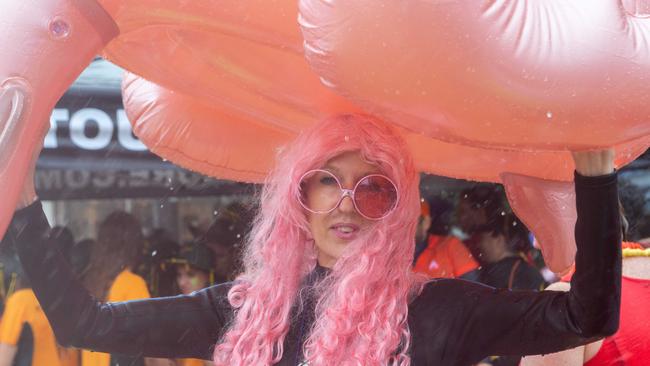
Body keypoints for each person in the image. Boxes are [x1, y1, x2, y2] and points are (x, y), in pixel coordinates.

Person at [5, 114, 621, 365]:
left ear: (396, 209)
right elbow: (86, 323)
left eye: (373, 187)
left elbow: (585, 314)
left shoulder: (439, 309)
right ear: (299, 198)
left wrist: (596, 180)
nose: (347, 203)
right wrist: (23, 203)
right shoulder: (247, 312)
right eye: (329, 182)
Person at [458, 185, 546, 291]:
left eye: (463, 211)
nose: (479, 244)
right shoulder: (464, 247)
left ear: (499, 239)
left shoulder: (518, 270)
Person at [413, 198, 479, 278]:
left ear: (426, 222)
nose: (403, 229)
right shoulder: (394, 252)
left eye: (410, 222)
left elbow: (473, 287)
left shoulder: (451, 246)